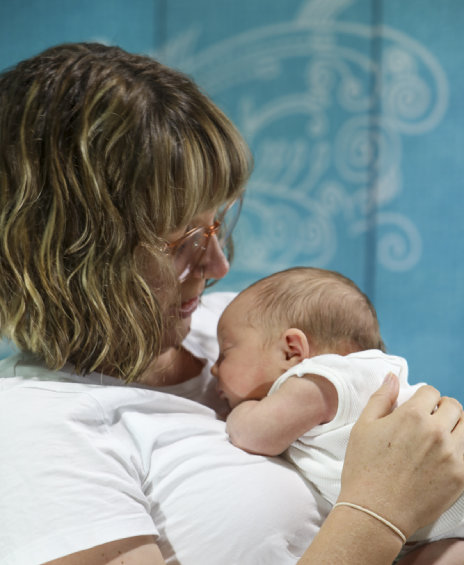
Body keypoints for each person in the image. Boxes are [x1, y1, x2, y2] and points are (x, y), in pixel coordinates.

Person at [0, 43, 463, 565]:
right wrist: (379, 511)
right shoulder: (34, 428)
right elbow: (392, 485)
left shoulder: (236, 324)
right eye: (184, 241)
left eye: (215, 224)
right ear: (74, 253)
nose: (219, 265)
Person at [213, 267, 464, 563]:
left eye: (225, 352)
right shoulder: (352, 382)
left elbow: (252, 434)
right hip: (443, 525)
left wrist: (240, 410)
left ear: (291, 351)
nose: (214, 369)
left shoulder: (319, 379)